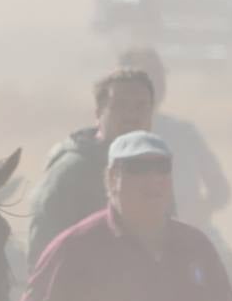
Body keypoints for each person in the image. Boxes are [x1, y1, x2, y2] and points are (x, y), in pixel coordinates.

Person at [17, 131, 232, 301]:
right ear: (111, 178)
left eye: (162, 167)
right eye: (138, 168)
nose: (154, 178)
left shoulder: (196, 245)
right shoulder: (75, 247)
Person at [24, 67, 157, 268]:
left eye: (141, 107)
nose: (132, 115)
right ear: (98, 113)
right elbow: (43, 256)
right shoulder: (70, 172)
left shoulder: (155, 168)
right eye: (120, 106)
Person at [116, 45, 232, 248]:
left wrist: (201, 211)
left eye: (159, 77)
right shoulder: (112, 141)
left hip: (192, 238)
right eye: (149, 78)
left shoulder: (185, 133)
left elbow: (220, 190)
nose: (158, 85)